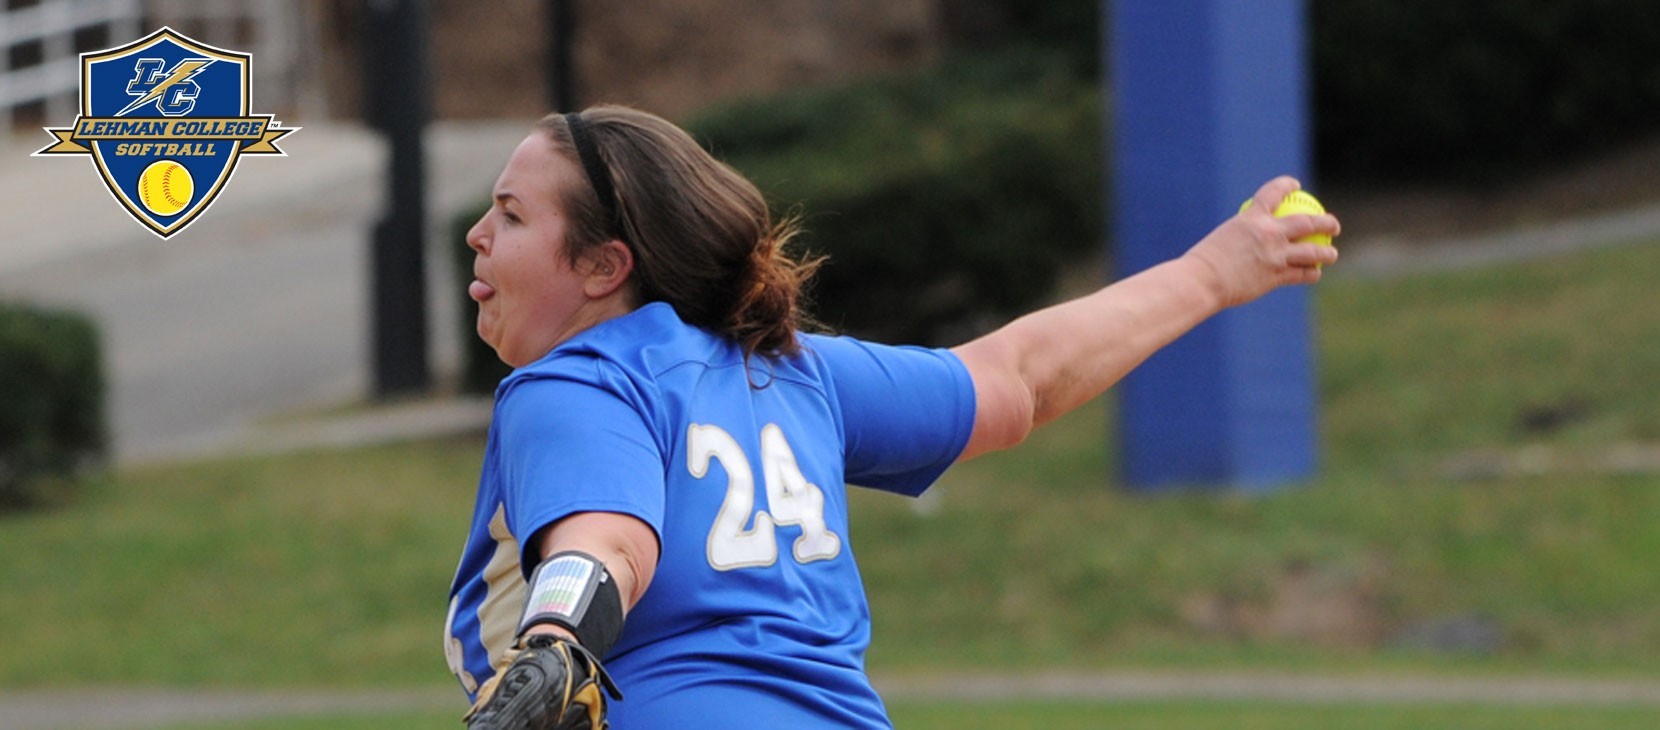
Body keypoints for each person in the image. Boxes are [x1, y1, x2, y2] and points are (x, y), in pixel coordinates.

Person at [444, 105, 1340, 729]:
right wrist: (1218, 271)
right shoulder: (789, 375)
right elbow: (1018, 379)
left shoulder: (578, 382)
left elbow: (607, 545)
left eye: (512, 215)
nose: (479, 234)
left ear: (604, 267)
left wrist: (557, 641)